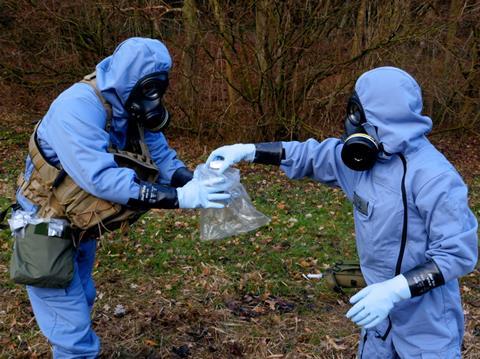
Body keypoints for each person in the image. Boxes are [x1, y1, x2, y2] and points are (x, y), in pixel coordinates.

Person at [207, 66, 478, 358]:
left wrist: (394, 291)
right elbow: (310, 155)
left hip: (427, 322)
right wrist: (247, 151)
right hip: (377, 321)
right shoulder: (361, 162)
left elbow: (457, 253)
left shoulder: (435, 178)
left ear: (368, 114)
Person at [12, 37, 230, 357]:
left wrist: (188, 179)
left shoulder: (128, 105)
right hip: (44, 222)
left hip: (81, 219)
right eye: (149, 87)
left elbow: (158, 152)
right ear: (130, 80)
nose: (154, 96)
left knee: (82, 291)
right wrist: (178, 198)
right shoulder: (78, 108)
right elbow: (101, 179)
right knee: (66, 312)